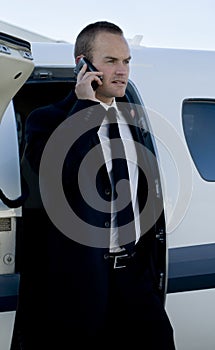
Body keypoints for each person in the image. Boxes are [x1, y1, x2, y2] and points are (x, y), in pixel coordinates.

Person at [15, 21, 176, 349]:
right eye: (111, 61)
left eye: (126, 61)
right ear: (82, 65)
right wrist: (86, 108)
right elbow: (58, 178)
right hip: (80, 282)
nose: (122, 71)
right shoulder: (46, 120)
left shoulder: (133, 122)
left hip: (133, 276)